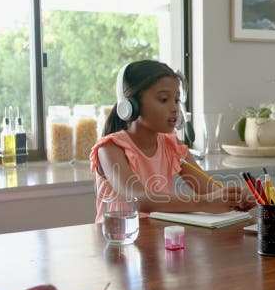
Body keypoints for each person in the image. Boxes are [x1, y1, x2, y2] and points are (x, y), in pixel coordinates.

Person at [90, 60, 255, 222]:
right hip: (118, 242)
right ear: (131, 105)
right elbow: (139, 199)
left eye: (176, 100)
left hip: (156, 238)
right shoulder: (110, 148)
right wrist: (204, 203)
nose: (175, 108)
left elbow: (208, 189)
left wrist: (237, 198)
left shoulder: (171, 144)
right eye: (163, 99)